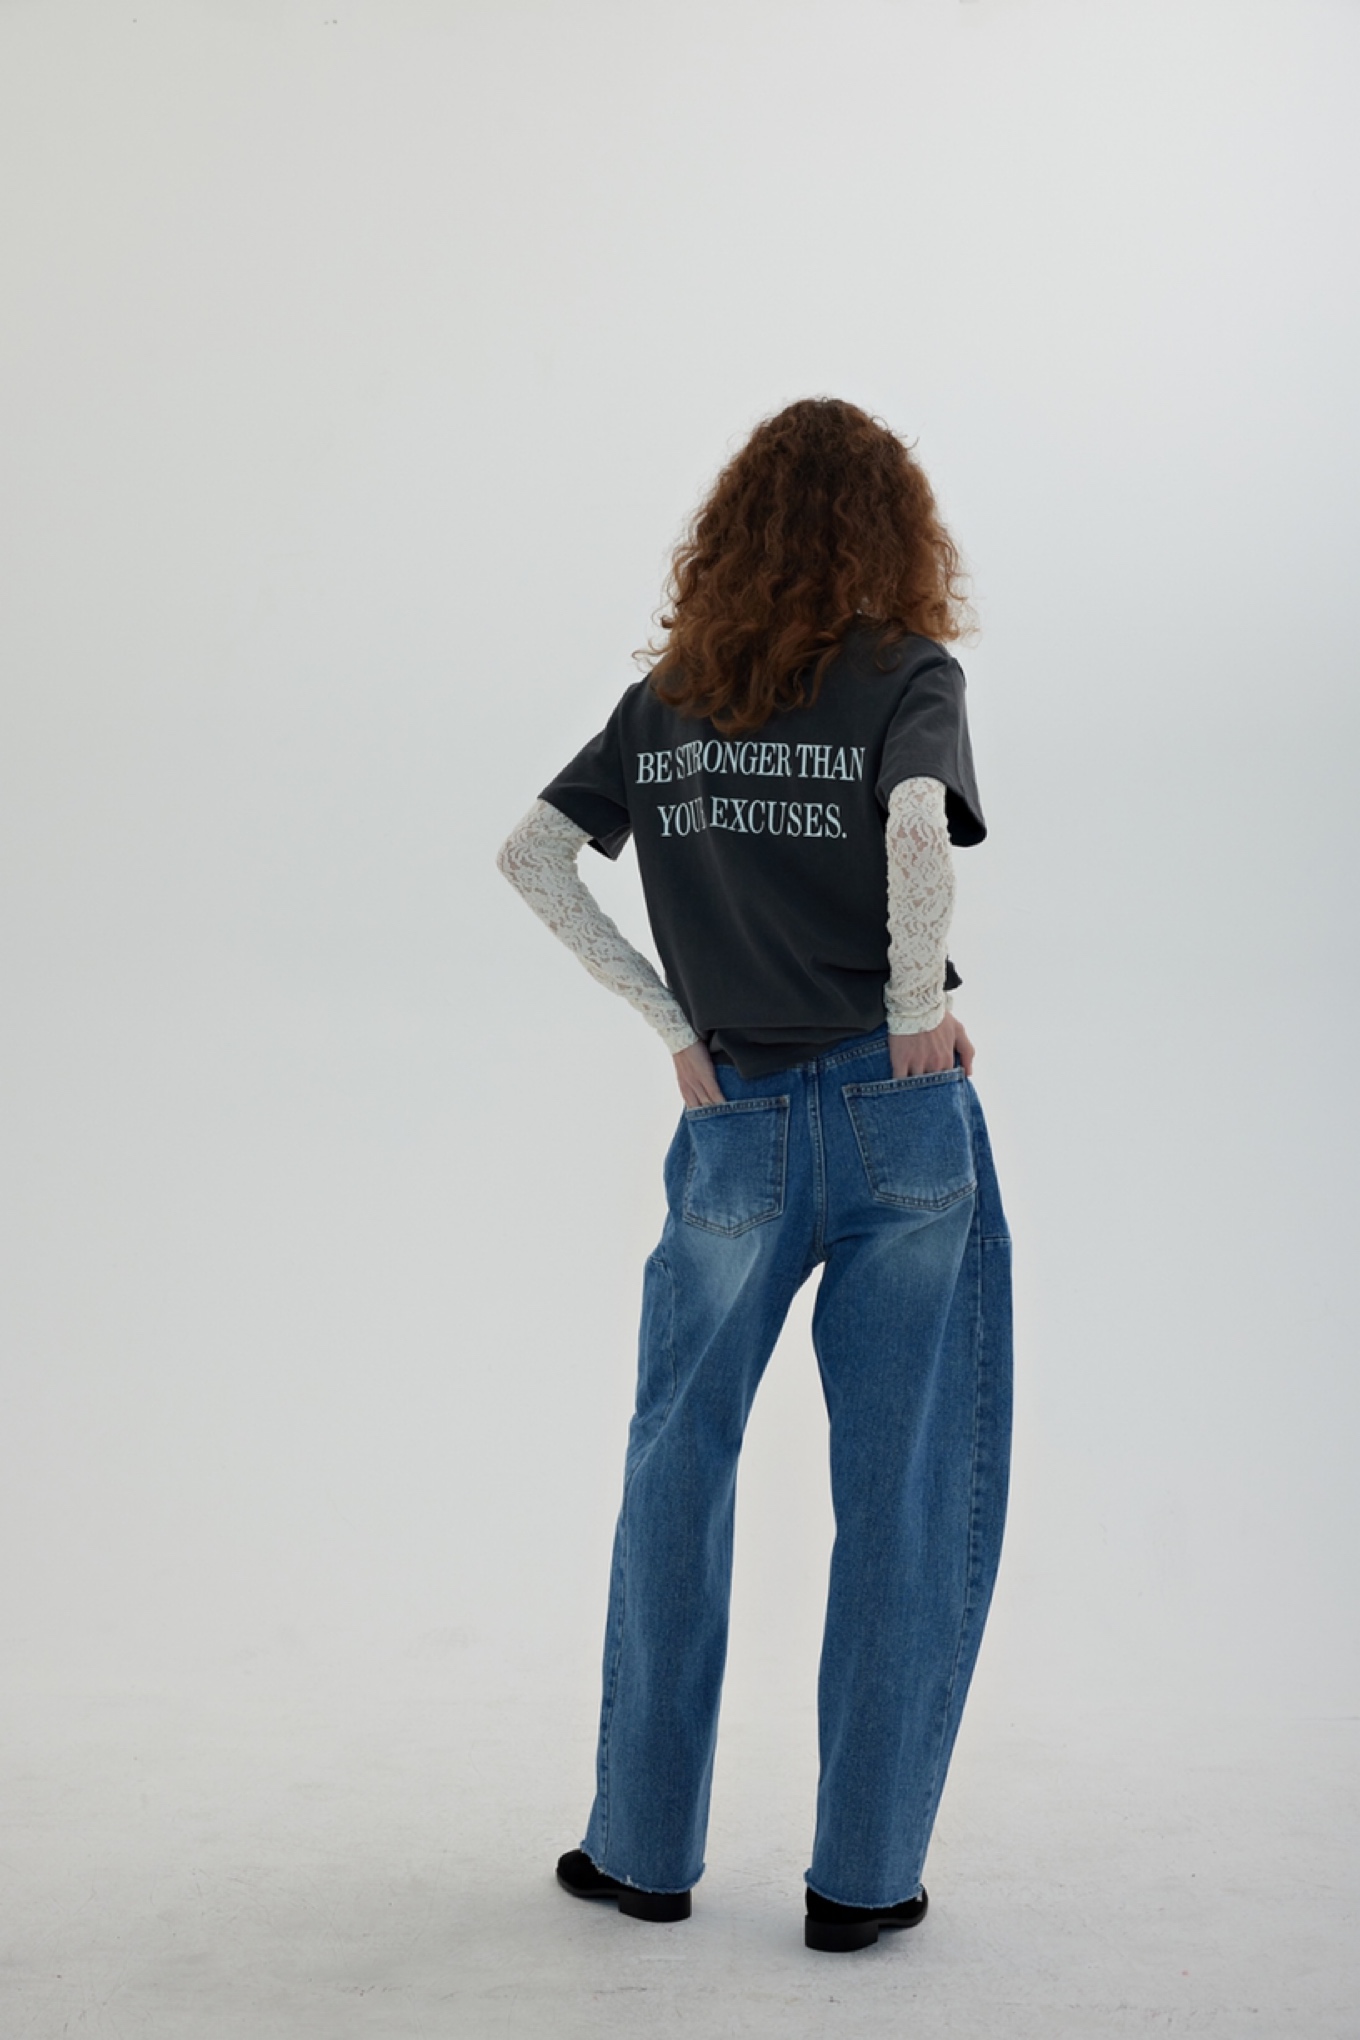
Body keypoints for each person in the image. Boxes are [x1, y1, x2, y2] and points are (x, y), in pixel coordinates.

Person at [494, 396, 1013, 1955]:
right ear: (894, 534)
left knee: (678, 1467)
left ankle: (643, 1853)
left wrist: (674, 1025)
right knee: (904, 1492)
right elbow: (914, 822)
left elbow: (530, 853)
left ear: (728, 535)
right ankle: (861, 1883)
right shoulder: (906, 677)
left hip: (733, 1118)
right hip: (894, 1116)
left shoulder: (668, 702)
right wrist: (912, 1018)